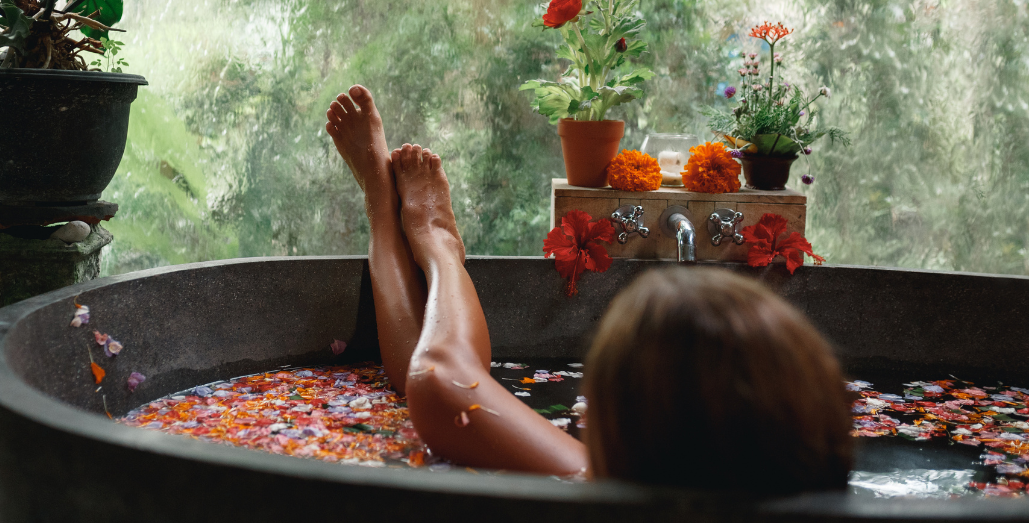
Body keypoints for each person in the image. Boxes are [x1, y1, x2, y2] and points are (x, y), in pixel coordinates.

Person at [325, 84, 852, 491]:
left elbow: (440, 379)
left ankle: (416, 233)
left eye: (597, 399)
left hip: (442, 373)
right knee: (443, 398)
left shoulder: (596, 485)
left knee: (443, 388)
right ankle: (389, 219)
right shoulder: (747, 489)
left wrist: (438, 249)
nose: (580, 408)